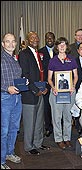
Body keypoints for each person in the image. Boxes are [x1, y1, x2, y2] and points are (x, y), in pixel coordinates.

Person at [18, 31, 50, 155]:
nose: (35, 39)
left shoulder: (38, 54)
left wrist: (44, 87)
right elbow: (24, 75)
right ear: (27, 40)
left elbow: (40, 74)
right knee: (29, 122)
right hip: (30, 94)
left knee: (39, 121)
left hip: (40, 92)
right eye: (32, 37)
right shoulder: (24, 54)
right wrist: (35, 90)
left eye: (36, 37)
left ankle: (38, 143)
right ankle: (29, 146)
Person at [48, 37, 78, 150]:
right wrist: (53, 87)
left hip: (69, 93)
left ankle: (67, 138)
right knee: (56, 117)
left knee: (68, 116)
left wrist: (73, 86)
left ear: (67, 46)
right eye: (59, 44)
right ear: (56, 47)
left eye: (64, 44)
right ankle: (59, 139)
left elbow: (75, 76)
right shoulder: (53, 60)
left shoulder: (72, 59)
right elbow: (49, 78)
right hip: (56, 93)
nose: (61, 46)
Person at [1, 33, 22, 169]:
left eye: (13, 41)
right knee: (3, 130)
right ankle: (1, 160)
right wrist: (6, 87)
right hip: (4, 98)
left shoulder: (14, 59)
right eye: (7, 41)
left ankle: (9, 153)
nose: (11, 44)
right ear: (3, 44)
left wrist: (22, 83)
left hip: (16, 98)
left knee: (14, 128)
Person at [38, 32, 56, 137]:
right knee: (46, 107)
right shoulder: (40, 52)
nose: (49, 39)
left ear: (54, 39)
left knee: (57, 106)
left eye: (51, 38)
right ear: (45, 39)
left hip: (57, 84)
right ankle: (48, 127)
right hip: (45, 84)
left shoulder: (59, 51)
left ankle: (58, 126)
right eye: (47, 38)